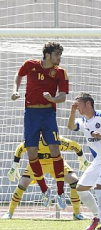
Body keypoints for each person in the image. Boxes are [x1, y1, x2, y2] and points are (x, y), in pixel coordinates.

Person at [10, 41, 69, 210]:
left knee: (55, 150)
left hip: (48, 114)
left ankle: (60, 192)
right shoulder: (30, 65)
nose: (59, 58)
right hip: (31, 114)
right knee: (31, 153)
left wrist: (53, 99)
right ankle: (45, 190)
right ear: (48, 55)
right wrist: (15, 90)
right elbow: (19, 75)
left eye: (60, 55)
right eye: (57, 55)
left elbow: (63, 96)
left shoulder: (60, 72)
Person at [2, 135, 90, 220]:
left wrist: (82, 158)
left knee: (74, 181)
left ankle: (77, 214)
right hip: (37, 164)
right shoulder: (34, 141)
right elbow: (20, 149)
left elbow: (75, 145)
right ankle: (9, 213)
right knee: (22, 184)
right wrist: (15, 165)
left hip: (56, 163)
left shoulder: (59, 140)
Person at [67, 93, 101, 230]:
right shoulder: (82, 121)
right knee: (80, 188)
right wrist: (71, 111)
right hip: (99, 160)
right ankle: (97, 216)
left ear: (88, 104)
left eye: (79, 104)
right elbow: (71, 126)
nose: (77, 108)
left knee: (99, 188)